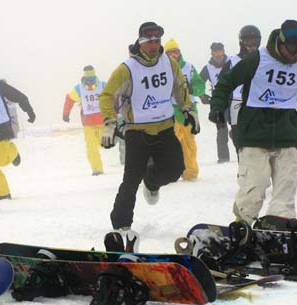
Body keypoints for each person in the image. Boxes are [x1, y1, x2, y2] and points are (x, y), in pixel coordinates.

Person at [209, 20, 297, 224]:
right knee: (255, 183)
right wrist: (217, 106)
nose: (296, 53)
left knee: (287, 183)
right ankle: (242, 223)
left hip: (286, 135)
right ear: (281, 41)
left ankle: (280, 225)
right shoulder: (258, 59)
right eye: (292, 47)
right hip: (254, 133)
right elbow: (227, 82)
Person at [99, 22, 197, 240]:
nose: (154, 45)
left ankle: (151, 182)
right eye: (149, 41)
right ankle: (121, 225)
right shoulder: (127, 68)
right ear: (141, 42)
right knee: (131, 179)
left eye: (157, 40)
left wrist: (188, 109)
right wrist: (109, 122)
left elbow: (179, 87)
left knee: (175, 169)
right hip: (137, 131)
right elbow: (107, 95)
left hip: (165, 127)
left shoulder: (169, 63)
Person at [0, 78, 36, 201]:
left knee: (2, 160)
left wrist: (29, 110)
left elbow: (18, 96)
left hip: (0, 126)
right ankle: (2, 193)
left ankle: (13, 151)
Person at [164, 39, 205, 180]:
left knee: (189, 144)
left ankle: (190, 172)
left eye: (175, 52)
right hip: (170, 110)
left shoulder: (189, 67)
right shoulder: (162, 68)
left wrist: (193, 88)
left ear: (179, 53)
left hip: (188, 110)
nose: (173, 55)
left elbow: (200, 86)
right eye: (170, 53)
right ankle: (172, 172)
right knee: (171, 144)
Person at [220, 25, 262, 152]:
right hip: (237, 103)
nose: (252, 45)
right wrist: (220, 107)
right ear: (241, 42)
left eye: (255, 41)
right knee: (241, 142)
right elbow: (222, 85)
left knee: (258, 140)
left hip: (258, 102)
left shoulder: (264, 59)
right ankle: (243, 167)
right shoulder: (232, 62)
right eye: (248, 41)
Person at [62, 65, 107, 176]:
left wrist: (116, 112)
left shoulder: (102, 86)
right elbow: (69, 99)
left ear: (95, 75)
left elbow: (113, 96)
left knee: (104, 143)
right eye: (88, 79)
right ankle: (97, 169)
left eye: (92, 78)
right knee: (91, 147)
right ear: (84, 77)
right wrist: (66, 114)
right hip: (88, 123)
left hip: (102, 121)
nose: (90, 82)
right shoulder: (79, 89)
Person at [199, 42, 231, 163]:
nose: (218, 54)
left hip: (234, 99)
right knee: (222, 130)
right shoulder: (208, 68)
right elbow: (198, 82)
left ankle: (242, 153)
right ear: (212, 53)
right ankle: (223, 158)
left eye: (220, 51)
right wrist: (202, 96)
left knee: (237, 128)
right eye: (215, 51)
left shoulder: (231, 63)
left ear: (223, 51)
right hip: (218, 101)